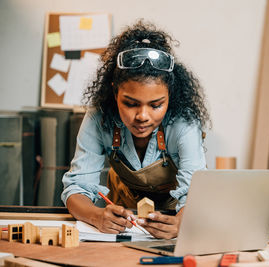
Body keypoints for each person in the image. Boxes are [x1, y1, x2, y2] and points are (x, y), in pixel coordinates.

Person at [61, 20, 210, 239]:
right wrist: (97, 216)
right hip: (126, 212)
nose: (142, 116)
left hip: (176, 213)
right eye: (130, 104)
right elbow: (76, 188)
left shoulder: (183, 123)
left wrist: (181, 224)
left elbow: (195, 194)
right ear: (114, 92)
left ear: (170, 95)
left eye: (156, 105)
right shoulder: (99, 117)